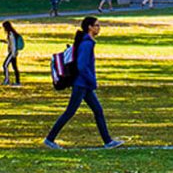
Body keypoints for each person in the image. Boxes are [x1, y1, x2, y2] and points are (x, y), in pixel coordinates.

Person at [44, 16, 124, 149]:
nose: (99, 28)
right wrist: (92, 80)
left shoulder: (87, 42)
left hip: (84, 84)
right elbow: (82, 66)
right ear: (90, 27)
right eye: (96, 25)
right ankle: (49, 139)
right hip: (81, 84)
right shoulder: (87, 44)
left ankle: (108, 141)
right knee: (70, 112)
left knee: (98, 110)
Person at [1, 20, 23, 86]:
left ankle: (7, 80)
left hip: (12, 53)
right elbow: (11, 42)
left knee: (5, 65)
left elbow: (13, 44)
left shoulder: (11, 34)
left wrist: (13, 53)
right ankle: (17, 82)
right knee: (14, 67)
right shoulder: (12, 33)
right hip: (13, 52)